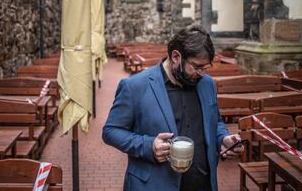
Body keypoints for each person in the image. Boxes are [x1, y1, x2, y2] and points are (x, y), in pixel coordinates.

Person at [102, 24, 244, 191]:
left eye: (205, 68)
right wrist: (148, 146)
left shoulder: (207, 84)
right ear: (176, 56)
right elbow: (110, 131)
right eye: (197, 67)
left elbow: (215, 121)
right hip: (154, 184)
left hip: (202, 184)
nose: (202, 73)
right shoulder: (135, 86)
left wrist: (222, 138)